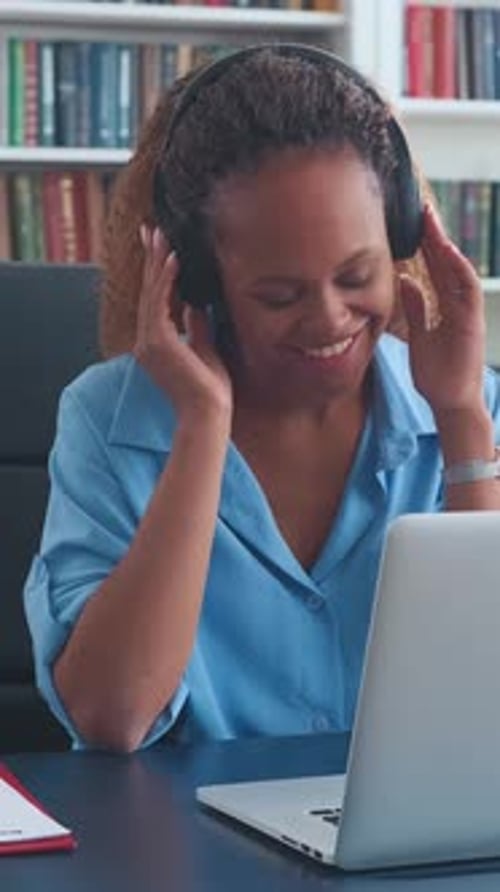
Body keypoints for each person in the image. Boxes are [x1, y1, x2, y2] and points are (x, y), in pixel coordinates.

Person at [24, 44, 500, 753]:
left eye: (356, 276)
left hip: (409, 823)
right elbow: (113, 718)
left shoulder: (469, 407)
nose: (330, 319)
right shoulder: (109, 419)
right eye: (280, 295)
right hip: (186, 824)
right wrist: (201, 428)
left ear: (402, 239)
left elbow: (487, 696)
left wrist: (461, 420)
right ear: (198, 281)